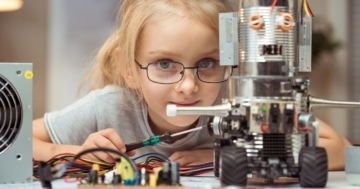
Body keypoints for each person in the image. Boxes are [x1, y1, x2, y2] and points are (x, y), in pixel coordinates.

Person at [33, 0, 350, 170]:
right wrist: (69, 152)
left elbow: (341, 149)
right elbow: (11, 142)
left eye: (207, 64)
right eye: (165, 64)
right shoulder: (111, 106)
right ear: (129, 69)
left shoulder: (236, 101)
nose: (188, 86)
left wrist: (228, 154)